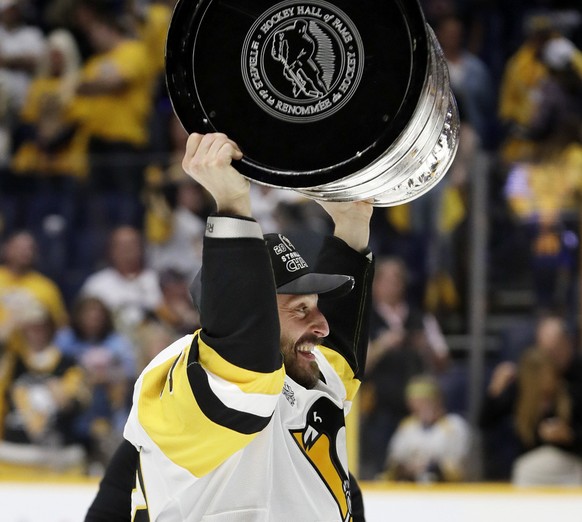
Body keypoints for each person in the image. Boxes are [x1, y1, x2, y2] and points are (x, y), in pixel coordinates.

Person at [85, 132, 375, 521]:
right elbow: (247, 364)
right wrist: (233, 205)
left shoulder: (308, 372)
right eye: (299, 309)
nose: (320, 325)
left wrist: (351, 228)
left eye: (315, 306)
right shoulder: (188, 384)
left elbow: (338, 349)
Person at [381, 375, 472, 483]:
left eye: (425, 402)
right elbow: (393, 464)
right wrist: (406, 468)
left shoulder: (454, 426)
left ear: (437, 400)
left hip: (447, 493)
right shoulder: (407, 427)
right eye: (416, 403)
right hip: (411, 491)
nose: (421, 408)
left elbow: (457, 469)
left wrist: (430, 467)